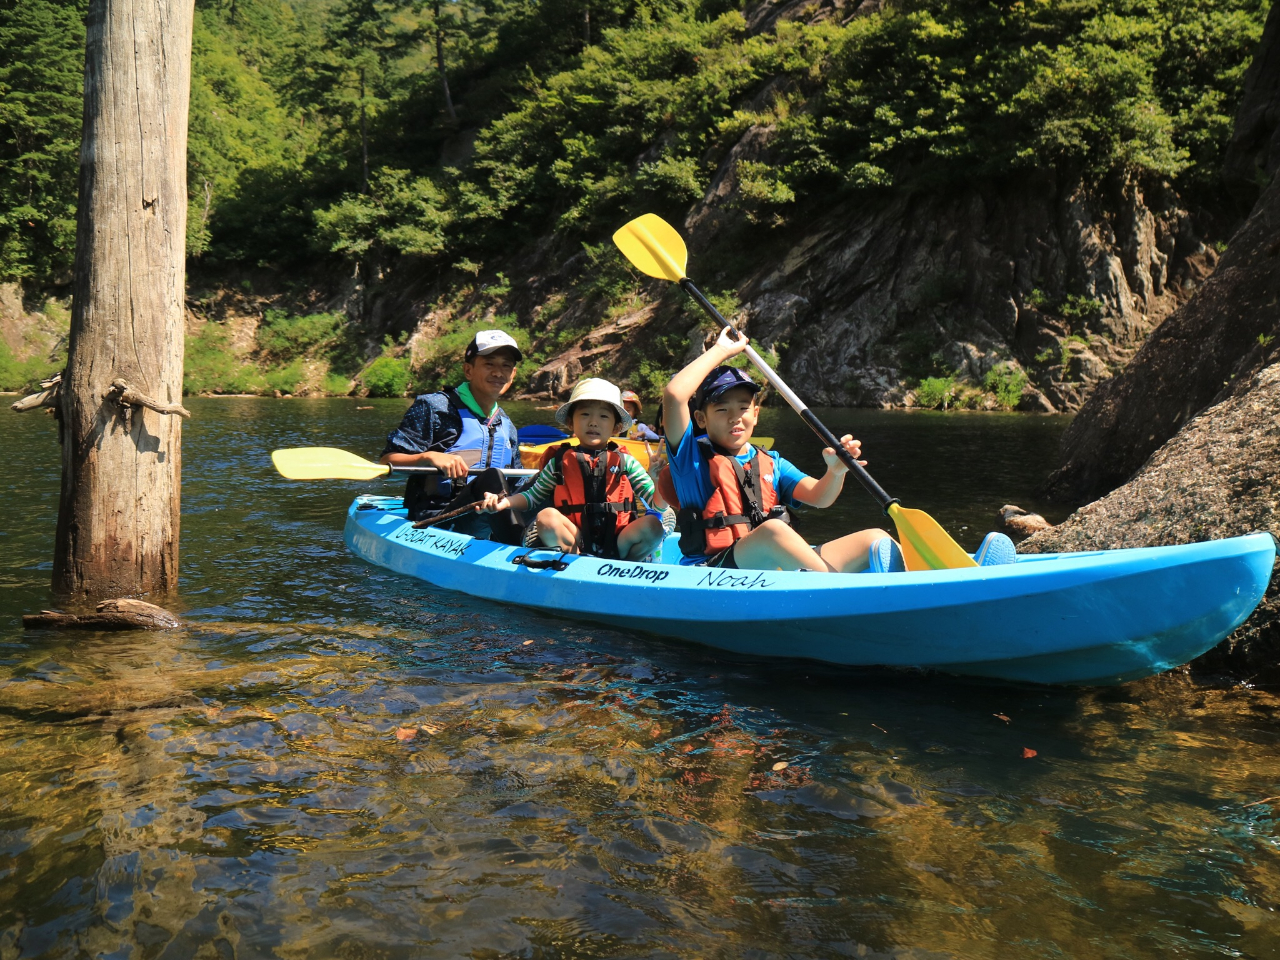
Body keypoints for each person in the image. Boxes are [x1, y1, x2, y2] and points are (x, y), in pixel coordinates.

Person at [661, 327, 902, 572]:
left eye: (743, 408)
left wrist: (835, 473)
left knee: (876, 538)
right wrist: (721, 350)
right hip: (714, 569)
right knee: (773, 530)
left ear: (755, 415)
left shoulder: (772, 461)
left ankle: (912, 594)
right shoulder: (689, 458)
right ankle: (834, 591)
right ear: (701, 419)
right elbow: (674, 395)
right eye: (722, 410)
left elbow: (821, 497)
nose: (735, 418)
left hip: (772, 568)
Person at [479, 378, 665, 560]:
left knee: (653, 525)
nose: (593, 422)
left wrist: (657, 480)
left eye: (603, 416)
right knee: (545, 517)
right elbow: (532, 498)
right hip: (576, 540)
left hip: (619, 543)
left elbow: (658, 506)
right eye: (585, 414)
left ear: (616, 427)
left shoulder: (627, 462)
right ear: (570, 423)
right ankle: (575, 562)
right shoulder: (559, 463)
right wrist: (506, 502)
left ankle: (629, 566)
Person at [379, 329, 525, 542]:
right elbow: (387, 462)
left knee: (551, 475)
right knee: (491, 477)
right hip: (439, 518)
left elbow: (519, 484)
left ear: (513, 375)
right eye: (489, 364)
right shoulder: (434, 407)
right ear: (468, 370)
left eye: (506, 365)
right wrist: (428, 457)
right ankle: (517, 542)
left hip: (492, 518)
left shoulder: (507, 425)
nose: (498, 372)